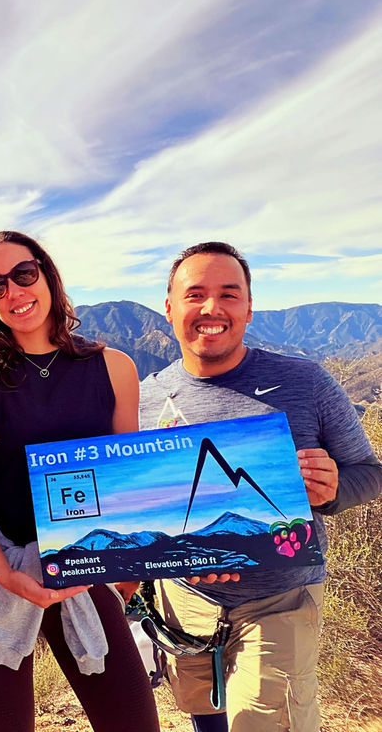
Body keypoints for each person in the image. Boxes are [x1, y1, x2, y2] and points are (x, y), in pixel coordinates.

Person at [139, 241, 382, 732]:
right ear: (169, 308)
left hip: (280, 600)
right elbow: (138, 507)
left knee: (263, 721)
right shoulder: (145, 398)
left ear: (249, 307)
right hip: (185, 602)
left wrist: (332, 488)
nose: (212, 308)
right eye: (195, 295)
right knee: (206, 714)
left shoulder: (305, 382)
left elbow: (370, 473)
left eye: (229, 294)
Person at [0, 230, 160, 732]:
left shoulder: (114, 368)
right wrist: (4, 572)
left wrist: (124, 572)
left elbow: (125, 481)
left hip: (83, 563)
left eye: (23, 274)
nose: (15, 293)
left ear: (46, 274)